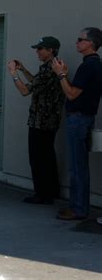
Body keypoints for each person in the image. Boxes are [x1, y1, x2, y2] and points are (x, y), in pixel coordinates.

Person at [7, 36, 65, 205]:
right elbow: (37, 83)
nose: (37, 52)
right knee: (47, 156)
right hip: (48, 120)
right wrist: (23, 69)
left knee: (38, 158)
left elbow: (25, 91)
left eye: (41, 49)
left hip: (41, 121)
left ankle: (42, 195)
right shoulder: (52, 67)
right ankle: (51, 191)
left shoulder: (50, 69)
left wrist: (13, 74)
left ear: (51, 50)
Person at [51, 27, 102, 220]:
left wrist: (61, 74)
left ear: (90, 43)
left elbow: (72, 94)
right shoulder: (95, 64)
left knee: (77, 166)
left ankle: (78, 209)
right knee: (79, 165)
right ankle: (78, 206)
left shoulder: (89, 66)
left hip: (79, 119)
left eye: (80, 39)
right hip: (86, 117)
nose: (77, 43)